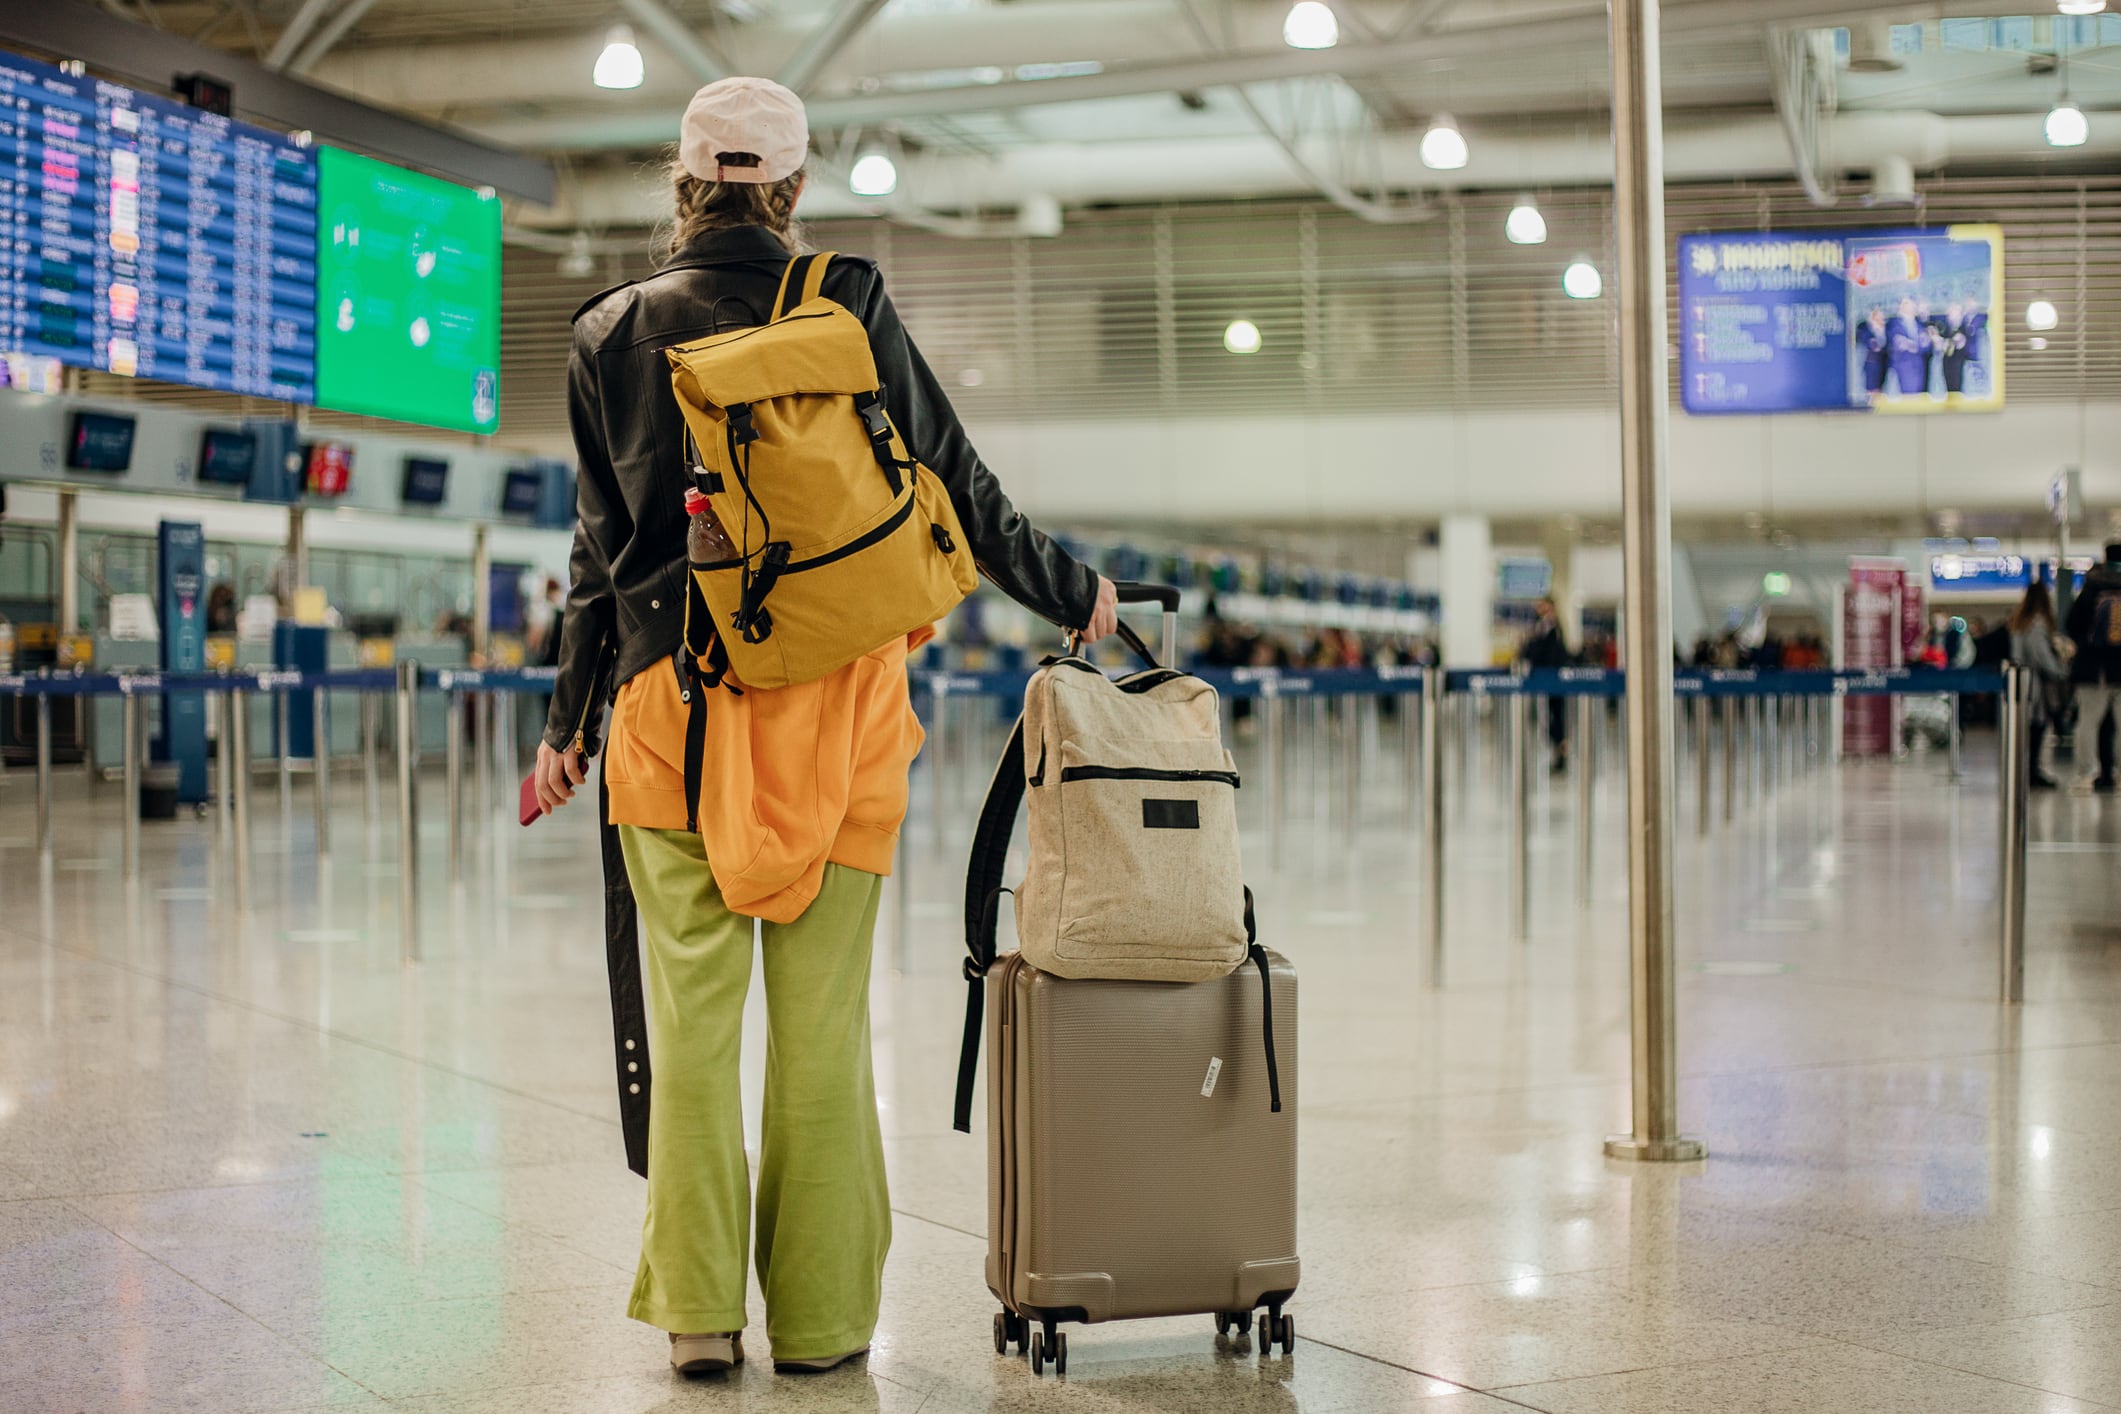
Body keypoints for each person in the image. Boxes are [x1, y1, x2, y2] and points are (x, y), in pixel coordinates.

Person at [531, 76, 1118, 1378]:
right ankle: (821, 1321)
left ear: (682, 186)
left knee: (691, 1030)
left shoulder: (606, 329)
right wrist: (1071, 590)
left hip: (660, 719)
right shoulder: (843, 302)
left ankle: (696, 1313)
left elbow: (593, 555)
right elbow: (956, 480)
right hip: (836, 714)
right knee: (821, 1033)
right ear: (791, 190)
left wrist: (562, 722)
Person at [2064, 543, 2121, 792]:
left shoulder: (2092, 585)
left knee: (2088, 722)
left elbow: (2072, 624)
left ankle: (2087, 772)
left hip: (2092, 669)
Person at [2008, 582, 2068, 791]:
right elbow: (2041, 656)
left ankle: (2026, 770)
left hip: (2019, 680)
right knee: (2037, 728)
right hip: (2033, 683)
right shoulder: (2037, 623)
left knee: (2026, 730)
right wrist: (2062, 671)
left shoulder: (2019, 622)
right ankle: (2032, 772)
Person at [1519, 596, 1572, 773]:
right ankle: (1557, 751)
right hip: (1544, 678)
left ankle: (1561, 753)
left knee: (1556, 718)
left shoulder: (1553, 628)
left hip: (1553, 679)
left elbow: (1549, 652)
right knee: (1548, 719)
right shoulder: (1540, 626)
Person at [1887, 296, 1933, 397]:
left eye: (1912, 304)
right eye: (1907, 304)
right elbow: (1899, 343)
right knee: (1909, 397)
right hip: (1904, 365)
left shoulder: (1920, 325)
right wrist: (1915, 346)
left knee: (1919, 396)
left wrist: (1915, 345)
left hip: (1919, 365)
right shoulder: (1895, 324)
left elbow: (1926, 345)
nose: (1912, 306)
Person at [1856, 306, 1890, 402]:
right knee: (1872, 390)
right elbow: (1870, 343)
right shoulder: (1868, 330)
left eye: (1883, 317)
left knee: (1881, 389)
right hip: (1872, 364)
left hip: (1883, 363)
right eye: (1880, 317)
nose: (1882, 319)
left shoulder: (1886, 330)